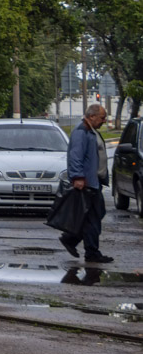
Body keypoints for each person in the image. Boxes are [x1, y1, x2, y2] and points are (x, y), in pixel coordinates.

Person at [61, 103, 112, 263]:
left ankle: (72, 239)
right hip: (86, 183)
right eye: (102, 118)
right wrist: (78, 177)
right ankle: (89, 251)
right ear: (91, 116)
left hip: (93, 182)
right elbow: (76, 156)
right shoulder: (81, 131)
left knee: (95, 215)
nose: (104, 121)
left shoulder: (90, 131)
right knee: (93, 217)